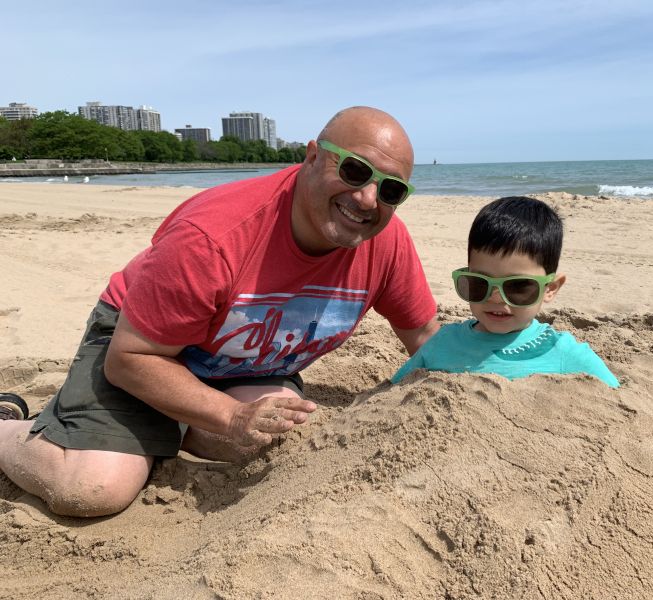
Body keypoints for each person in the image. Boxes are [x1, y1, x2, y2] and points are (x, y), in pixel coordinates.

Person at [0, 106, 439, 517]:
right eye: (354, 170)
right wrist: (230, 416)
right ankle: (13, 428)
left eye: (391, 190)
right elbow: (130, 358)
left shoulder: (385, 243)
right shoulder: (214, 235)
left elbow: (423, 338)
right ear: (311, 157)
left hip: (243, 366)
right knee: (93, 488)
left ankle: (164, 427)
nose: (367, 199)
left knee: (279, 435)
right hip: (145, 348)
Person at [391, 196, 619, 388]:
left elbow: (617, 398)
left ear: (550, 288)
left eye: (518, 286)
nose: (496, 298)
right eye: (480, 283)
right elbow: (392, 391)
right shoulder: (443, 343)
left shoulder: (565, 354)